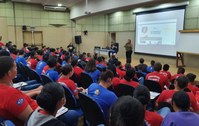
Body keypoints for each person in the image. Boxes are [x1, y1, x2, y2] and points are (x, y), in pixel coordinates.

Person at [0, 56, 38, 126]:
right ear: (9, 73)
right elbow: (33, 119)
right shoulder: (11, 94)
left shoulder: (6, 88)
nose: (17, 69)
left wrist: (36, 91)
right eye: (15, 67)